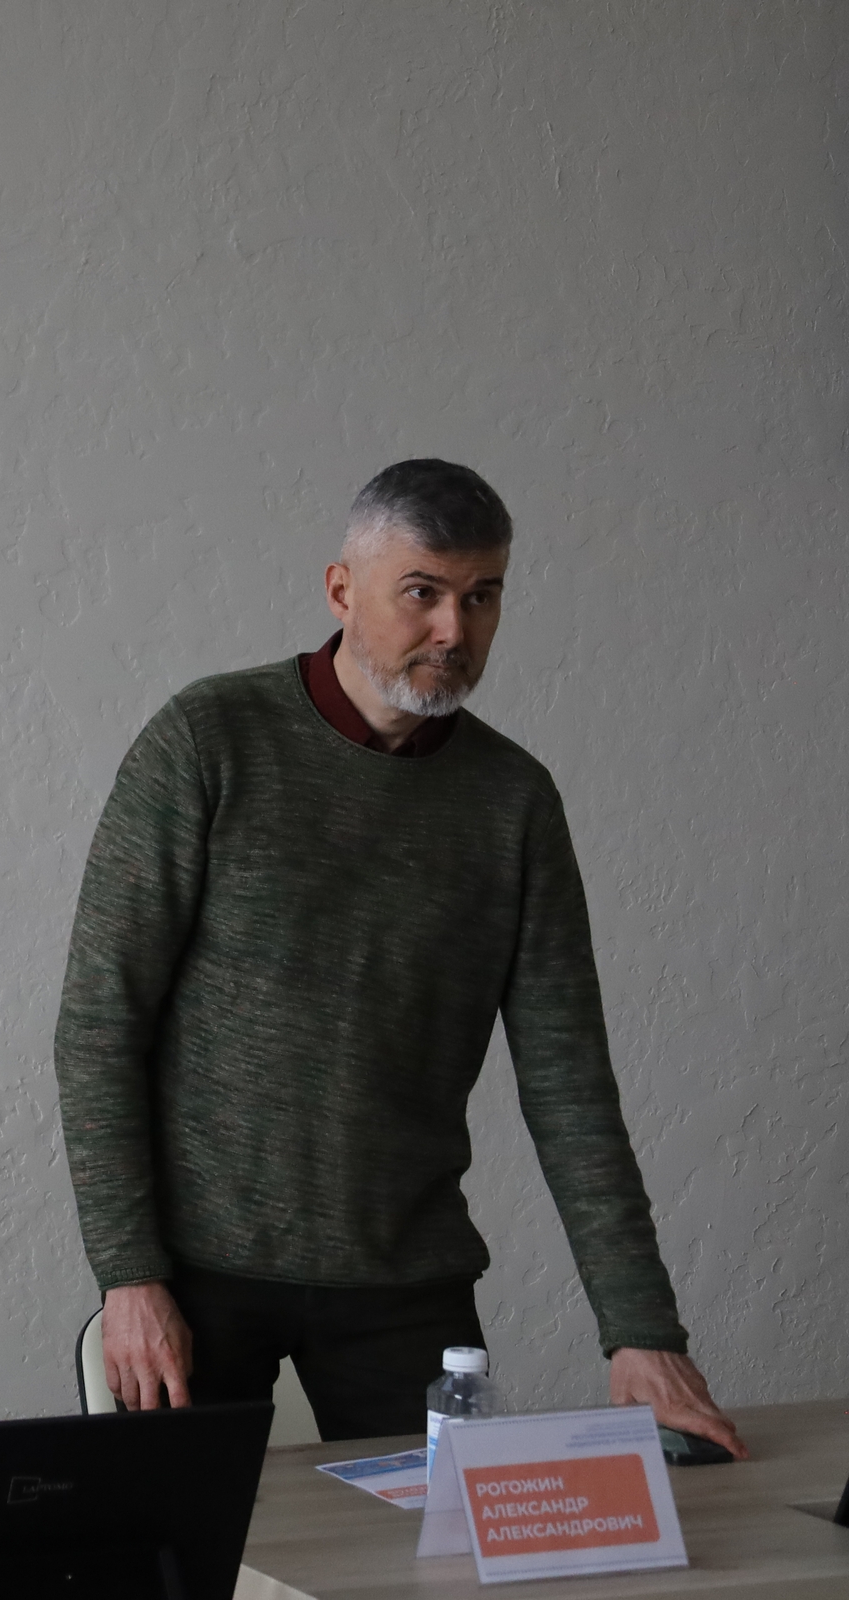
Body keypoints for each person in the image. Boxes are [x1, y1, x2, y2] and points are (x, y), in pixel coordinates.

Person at [52, 459, 745, 1455]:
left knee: (446, 1551)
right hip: (193, 1277)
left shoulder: (513, 802)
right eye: (421, 592)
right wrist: (128, 1274)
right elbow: (98, 1024)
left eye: (482, 596)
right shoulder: (207, 741)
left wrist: (641, 1330)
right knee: (185, 1555)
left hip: (406, 1284)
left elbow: (569, 1082)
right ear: (342, 590)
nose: (454, 630)